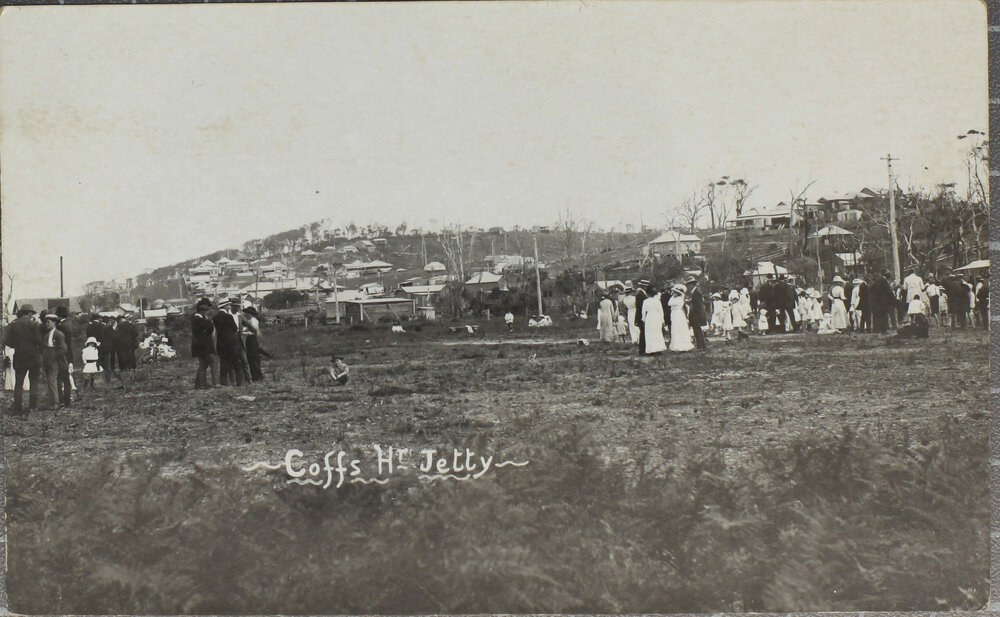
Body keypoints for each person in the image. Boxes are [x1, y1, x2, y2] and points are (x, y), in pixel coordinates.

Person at [3, 304, 43, 415]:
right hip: (33, 357)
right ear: (29, 313)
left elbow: (7, 341)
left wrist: (17, 345)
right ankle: (33, 407)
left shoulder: (13, 325)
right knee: (34, 382)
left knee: (19, 382)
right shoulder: (34, 324)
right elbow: (39, 341)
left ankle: (17, 406)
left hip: (19, 357)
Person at [41, 314, 70, 409]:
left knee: (52, 381)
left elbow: (63, 349)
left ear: (54, 322)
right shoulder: (46, 335)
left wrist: (53, 356)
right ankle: (57, 401)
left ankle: (55, 403)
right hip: (48, 361)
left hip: (56, 361)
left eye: (48, 322)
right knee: (53, 381)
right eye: (45, 322)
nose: (46, 324)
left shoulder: (59, 334)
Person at [212, 298, 242, 386]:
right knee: (236, 362)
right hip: (231, 342)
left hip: (221, 343)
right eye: (228, 305)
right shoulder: (229, 317)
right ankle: (239, 381)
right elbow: (235, 328)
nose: (229, 306)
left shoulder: (215, 317)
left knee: (223, 363)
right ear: (225, 306)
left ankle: (224, 382)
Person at [191, 297, 217, 389]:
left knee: (203, 364)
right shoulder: (198, 319)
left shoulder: (199, 318)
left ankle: (200, 384)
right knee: (212, 362)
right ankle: (214, 383)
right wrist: (209, 323)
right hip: (203, 345)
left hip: (200, 345)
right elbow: (210, 327)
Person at [55, 306, 75, 403]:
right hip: (68, 353)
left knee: (61, 377)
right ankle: (67, 398)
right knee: (66, 377)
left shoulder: (61, 326)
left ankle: (63, 399)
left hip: (63, 353)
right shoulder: (68, 324)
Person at [640, 286, 667, 354]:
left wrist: (643, 320)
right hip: (656, 317)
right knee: (657, 332)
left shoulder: (645, 301)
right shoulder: (657, 301)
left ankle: (651, 350)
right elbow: (661, 311)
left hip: (649, 317)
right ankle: (658, 349)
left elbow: (643, 312)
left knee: (650, 333)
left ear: (647, 293)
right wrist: (662, 320)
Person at [668, 284, 694, 352]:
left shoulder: (679, 299)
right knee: (675, 329)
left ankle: (682, 346)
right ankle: (676, 346)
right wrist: (673, 296)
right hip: (674, 314)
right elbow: (669, 303)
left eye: (675, 292)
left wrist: (673, 297)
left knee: (679, 329)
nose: (674, 293)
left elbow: (670, 303)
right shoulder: (674, 298)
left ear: (678, 293)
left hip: (678, 314)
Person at [242, 305, 265, 382]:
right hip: (249, 339)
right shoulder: (249, 321)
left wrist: (243, 332)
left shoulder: (254, 321)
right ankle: (255, 375)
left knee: (254, 358)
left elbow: (252, 330)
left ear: (250, 313)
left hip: (252, 339)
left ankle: (258, 376)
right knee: (251, 358)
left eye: (247, 313)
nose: (245, 314)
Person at [685, 275, 707, 351]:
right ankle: (702, 346)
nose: (687, 287)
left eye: (688, 285)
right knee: (698, 331)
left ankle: (700, 347)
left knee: (697, 331)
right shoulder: (696, 291)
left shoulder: (696, 292)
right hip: (697, 314)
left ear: (691, 284)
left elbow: (698, 305)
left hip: (696, 315)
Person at [633, 280, 651, 355]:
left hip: (641, 315)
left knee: (643, 332)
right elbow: (642, 306)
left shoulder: (641, 293)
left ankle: (643, 349)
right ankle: (642, 350)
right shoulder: (640, 294)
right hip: (641, 316)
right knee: (643, 333)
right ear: (644, 286)